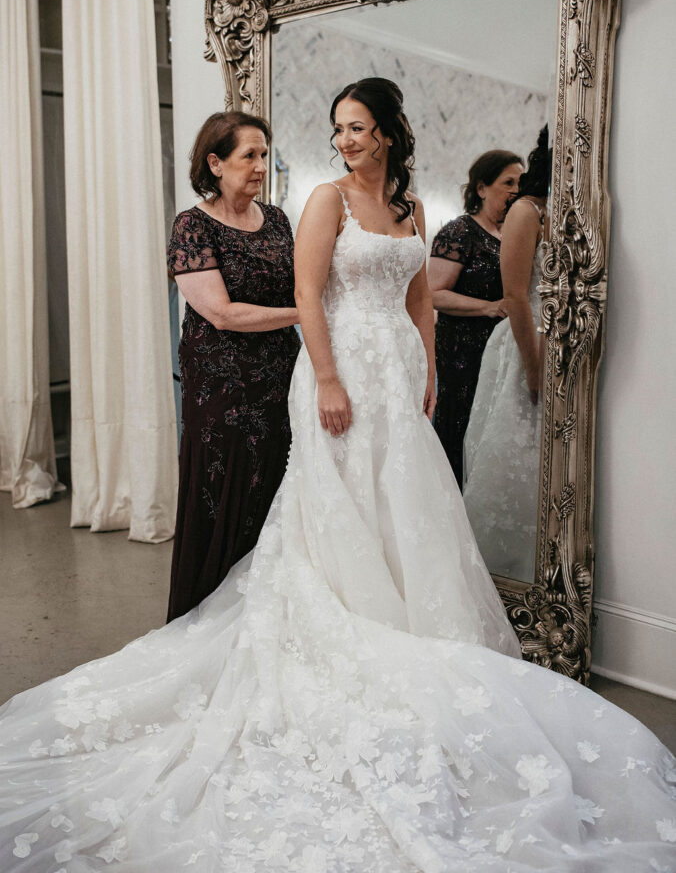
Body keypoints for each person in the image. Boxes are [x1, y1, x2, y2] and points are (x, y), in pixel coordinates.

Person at [0, 84, 674, 873]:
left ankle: (411, 612)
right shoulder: (325, 200)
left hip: (395, 368)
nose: (345, 140)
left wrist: (425, 369)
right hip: (342, 365)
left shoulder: (413, 208)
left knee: (409, 501)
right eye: (339, 130)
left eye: (356, 129)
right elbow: (307, 293)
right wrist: (324, 377)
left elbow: (421, 296)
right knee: (340, 500)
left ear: (389, 135)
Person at [165, 111, 300, 620]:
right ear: (215, 163)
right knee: (225, 494)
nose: (261, 165)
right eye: (250, 155)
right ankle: (209, 617)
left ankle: (263, 620)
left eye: (264, 154)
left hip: (281, 380)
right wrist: (306, 314)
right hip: (222, 388)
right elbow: (222, 313)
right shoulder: (192, 225)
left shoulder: (280, 221)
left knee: (273, 493)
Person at [463, 128, 550, 582]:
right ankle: (499, 574)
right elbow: (516, 296)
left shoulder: (576, 213)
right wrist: (534, 368)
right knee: (509, 460)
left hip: (563, 345)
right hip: (523, 345)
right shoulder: (526, 211)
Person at [428, 150, 523, 485]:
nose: (515, 190)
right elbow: (433, 294)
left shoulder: (511, 237)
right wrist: (490, 307)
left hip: (500, 351)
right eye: (507, 182)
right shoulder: (460, 232)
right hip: (461, 352)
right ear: (482, 188)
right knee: (461, 426)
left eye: (520, 183)